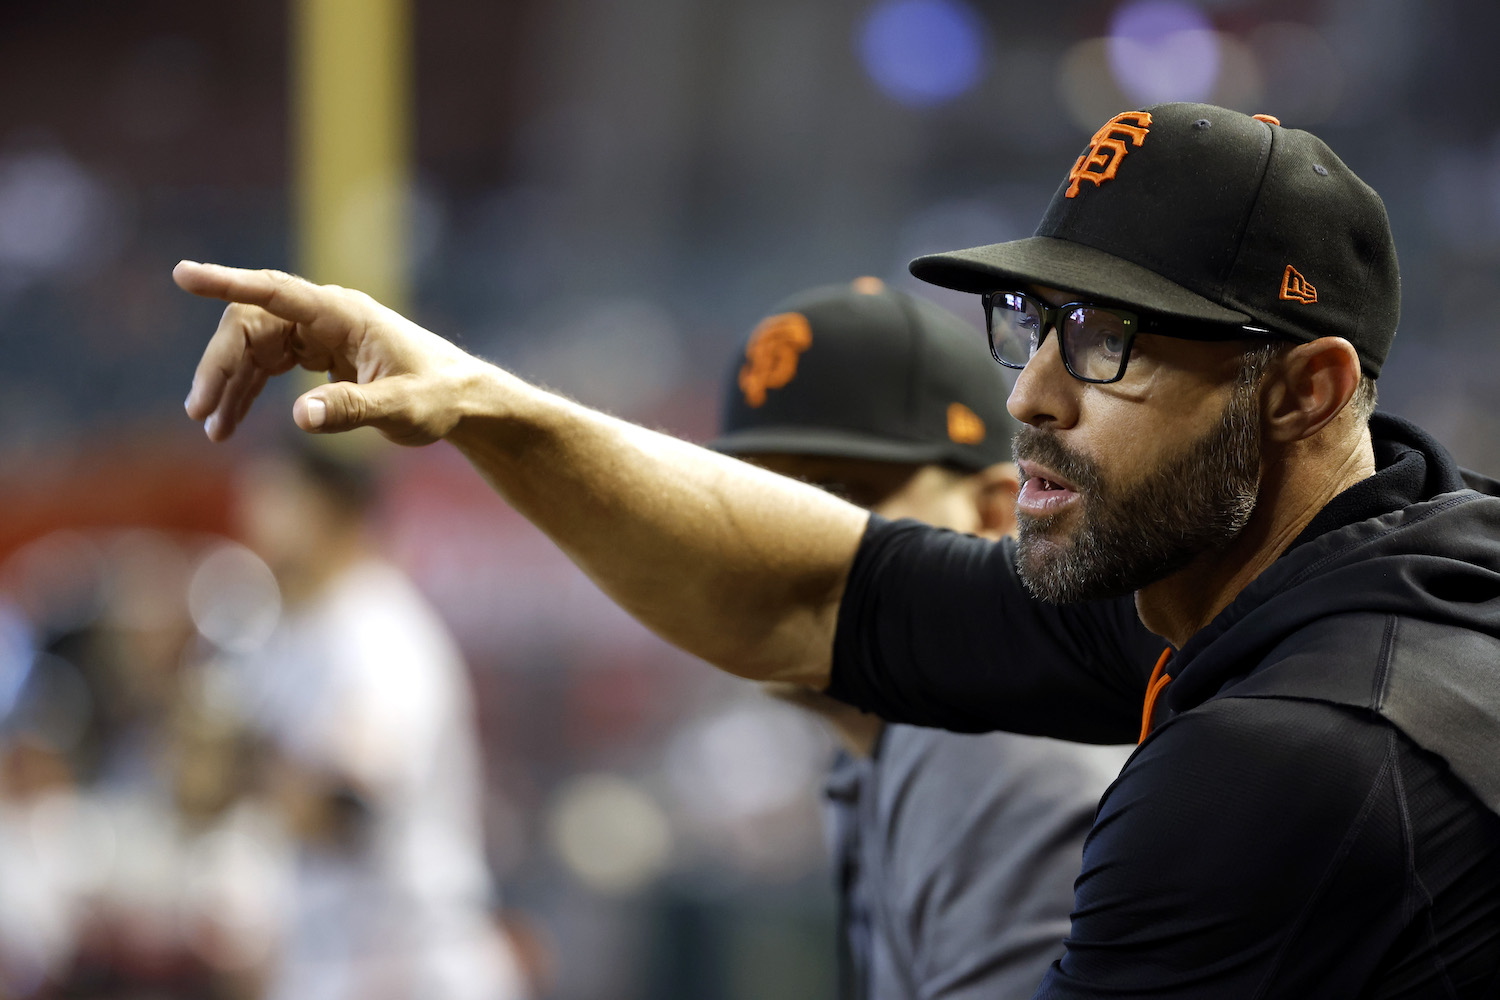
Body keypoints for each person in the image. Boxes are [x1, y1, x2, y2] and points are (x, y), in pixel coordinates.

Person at [174, 101, 1500, 997]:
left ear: (1309, 390)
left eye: (1109, 340)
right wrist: (480, 399)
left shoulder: (1286, 766)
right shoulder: (1328, 573)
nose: (1035, 395)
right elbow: (821, 594)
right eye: (1036, 325)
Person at [713, 277, 1136, 1000]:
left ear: (995, 516)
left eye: (837, 497)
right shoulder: (888, 738)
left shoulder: (995, 748)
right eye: (745, 499)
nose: (768, 542)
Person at [229, 442, 528, 1000]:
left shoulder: (378, 629)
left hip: (408, 963)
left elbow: (347, 804)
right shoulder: (293, 631)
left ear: (327, 507)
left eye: (276, 497)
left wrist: (246, 772)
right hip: (332, 955)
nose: (255, 515)